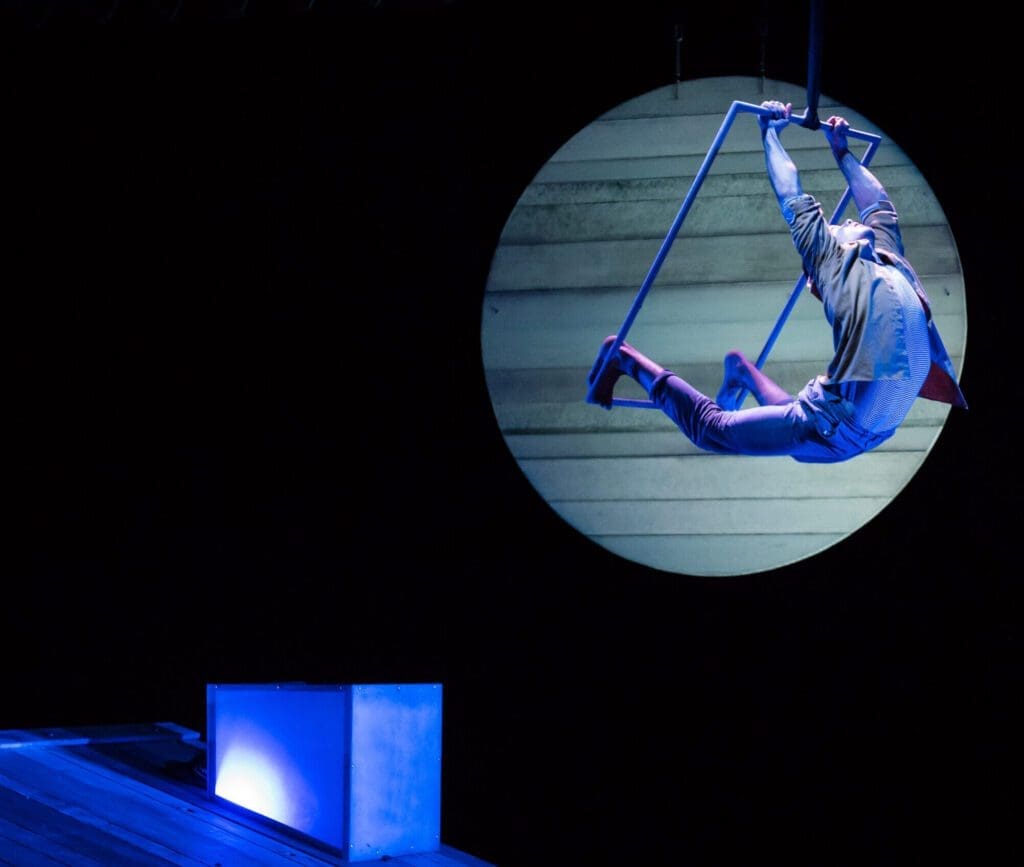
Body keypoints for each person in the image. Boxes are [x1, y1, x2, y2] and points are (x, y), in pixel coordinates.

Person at [588, 100, 967, 463]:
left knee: (786, 429)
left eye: (851, 223)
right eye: (843, 225)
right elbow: (792, 190)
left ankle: (728, 369)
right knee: (718, 430)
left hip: (854, 426)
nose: (851, 222)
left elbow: (877, 205)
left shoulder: (885, 256)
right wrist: (769, 134)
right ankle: (627, 358)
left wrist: (843, 153)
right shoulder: (830, 256)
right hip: (846, 424)